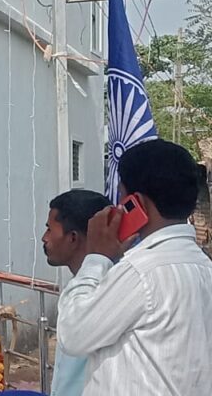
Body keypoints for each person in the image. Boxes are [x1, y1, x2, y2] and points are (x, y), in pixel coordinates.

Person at [58, 139, 212, 393]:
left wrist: (96, 258)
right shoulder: (203, 267)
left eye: (121, 196)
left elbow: (72, 335)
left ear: (135, 203)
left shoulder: (142, 272)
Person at [40, 189, 110, 396]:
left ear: (72, 238)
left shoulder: (107, 288)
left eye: (49, 230)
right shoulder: (79, 283)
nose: (44, 238)